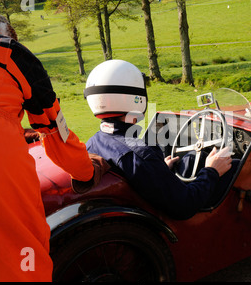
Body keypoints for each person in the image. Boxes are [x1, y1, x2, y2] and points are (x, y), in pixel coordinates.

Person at [0, 7, 105, 282]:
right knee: (21, 266)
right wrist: (87, 172)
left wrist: (11, 129)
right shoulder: (11, 54)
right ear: (3, 34)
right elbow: (54, 130)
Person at [85, 60, 236, 220]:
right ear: (136, 98)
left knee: (191, 159)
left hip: (135, 209)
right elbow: (186, 205)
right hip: (164, 218)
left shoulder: (93, 142)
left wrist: (159, 169)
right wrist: (212, 171)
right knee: (235, 166)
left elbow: (141, 174)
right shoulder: (140, 156)